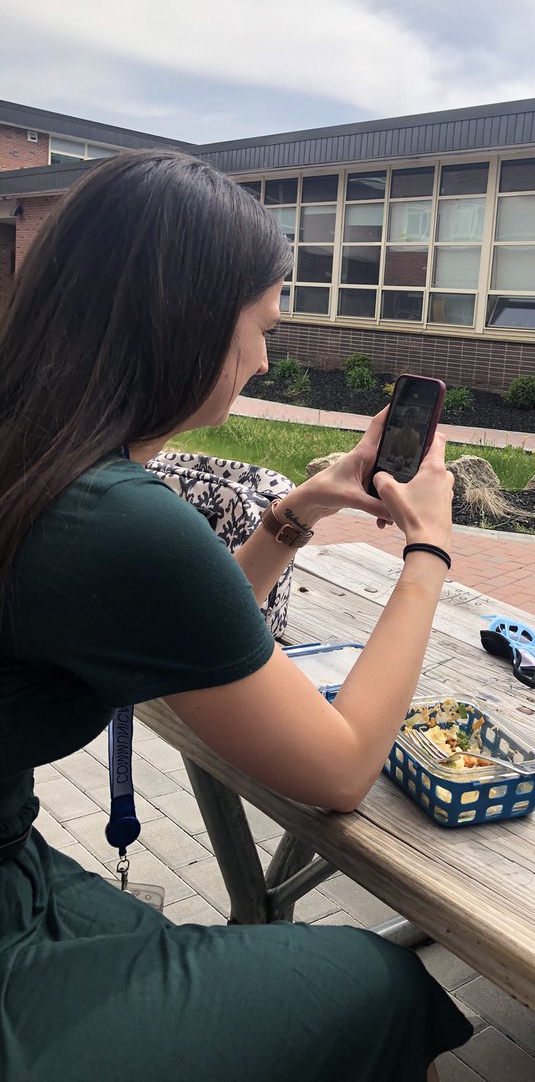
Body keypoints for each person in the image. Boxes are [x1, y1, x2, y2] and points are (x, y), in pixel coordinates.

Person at [0, 151, 472, 1081]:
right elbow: (340, 768)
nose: (261, 358)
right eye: (260, 328)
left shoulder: (38, 461)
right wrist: (429, 552)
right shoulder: (113, 516)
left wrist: (298, 512)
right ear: (184, 322)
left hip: (18, 855)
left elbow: (174, 625)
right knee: (377, 982)